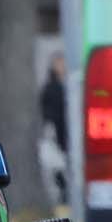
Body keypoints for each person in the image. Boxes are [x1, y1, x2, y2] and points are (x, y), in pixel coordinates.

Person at [40, 54, 69, 204]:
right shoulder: (52, 88)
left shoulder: (64, 85)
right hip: (59, 133)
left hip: (64, 133)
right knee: (60, 166)